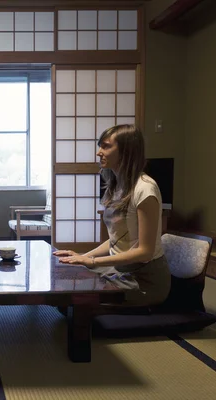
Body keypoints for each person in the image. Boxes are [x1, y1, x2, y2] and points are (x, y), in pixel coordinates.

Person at [54, 124, 171, 307]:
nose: (99, 152)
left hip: (143, 280)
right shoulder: (117, 186)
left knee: (73, 298)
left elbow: (144, 251)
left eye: (106, 146)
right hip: (120, 270)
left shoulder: (145, 189)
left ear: (126, 151)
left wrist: (91, 261)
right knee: (64, 283)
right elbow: (116, 240)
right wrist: (82, 257)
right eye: (100, 146)